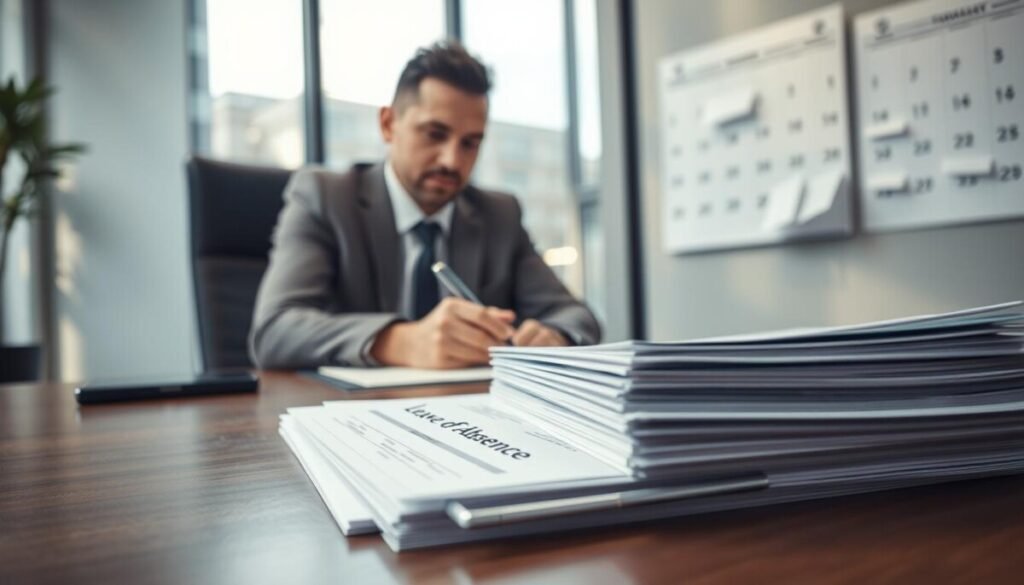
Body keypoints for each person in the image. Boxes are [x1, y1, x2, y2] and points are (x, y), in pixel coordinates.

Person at [249, 41, 600, 370]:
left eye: (470, 143)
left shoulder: (500, 215)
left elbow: (576, 316)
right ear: (388, 124)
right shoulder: (325, 197)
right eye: (435, 134)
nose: (452, 159)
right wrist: (400, 341)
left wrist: (555, 336)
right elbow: (275, 329)